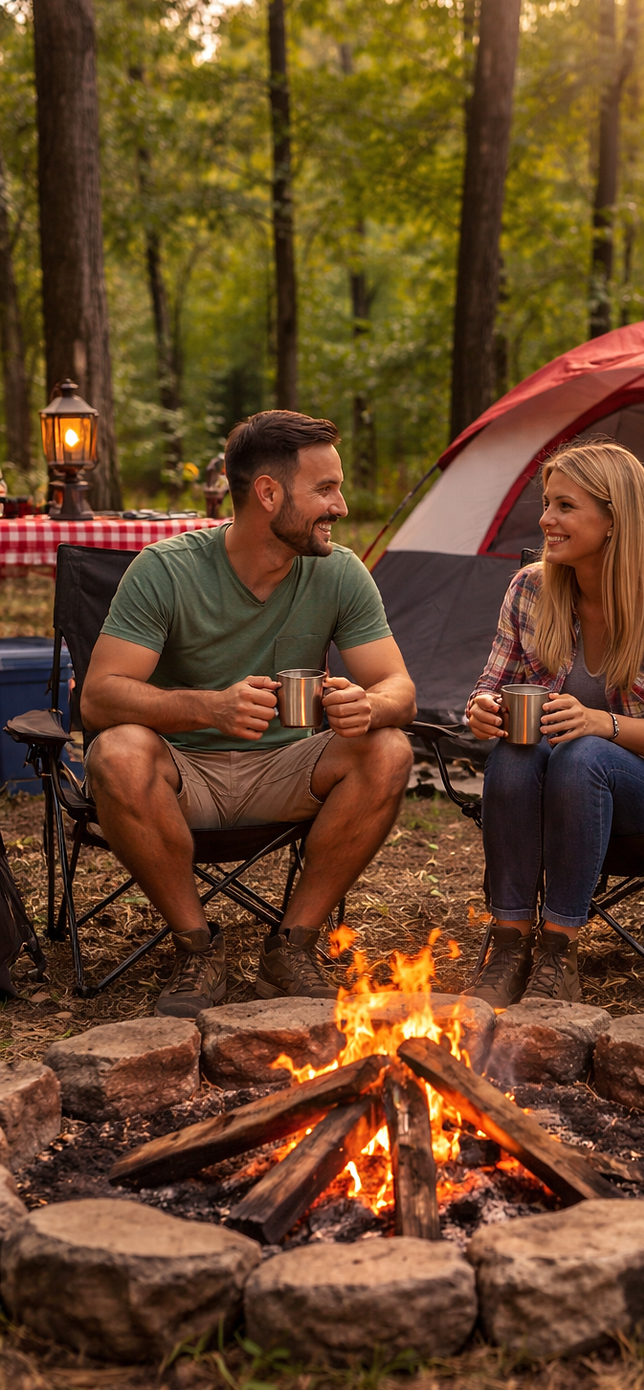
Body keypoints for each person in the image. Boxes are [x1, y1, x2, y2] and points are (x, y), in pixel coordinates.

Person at [81, 410, 415, 1017]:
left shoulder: (338, 572)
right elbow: (100, 696)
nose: (340, 506)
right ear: (267, 493)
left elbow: (399, 688)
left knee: (389, 747)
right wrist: (208, 706)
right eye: (325, 489)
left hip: (286, 769)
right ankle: (197, 946)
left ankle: (292, 946)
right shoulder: (166, 570)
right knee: (118, 750)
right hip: (184, 774)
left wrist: (368, 704)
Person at [464, 440, 644, 1008]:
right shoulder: (531, 589)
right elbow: (491, 687)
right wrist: (482, 711)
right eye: (546, 503)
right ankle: (510, 943)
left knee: (582, 752)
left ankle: (559, 953)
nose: (545, 520)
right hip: (555, 789)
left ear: (614, 518)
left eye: (565, 506)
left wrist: (600, 724)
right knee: (517, 749)